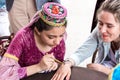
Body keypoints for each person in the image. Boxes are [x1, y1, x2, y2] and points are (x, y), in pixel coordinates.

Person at [51, 0, 120, 80]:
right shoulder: (99, 31)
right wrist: (67, 63)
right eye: (100, 23)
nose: (102, 30)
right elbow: (83, 51)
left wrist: (106, 71)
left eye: (109, 26)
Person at [0, 2, 67, 80]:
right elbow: (3, 74)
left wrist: (56, 65)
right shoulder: (23, 37)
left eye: (61, 36)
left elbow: (60, 63)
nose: (58, 42)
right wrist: (39, 67)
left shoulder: (59, 41)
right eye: (51, 37)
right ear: (37, 31)